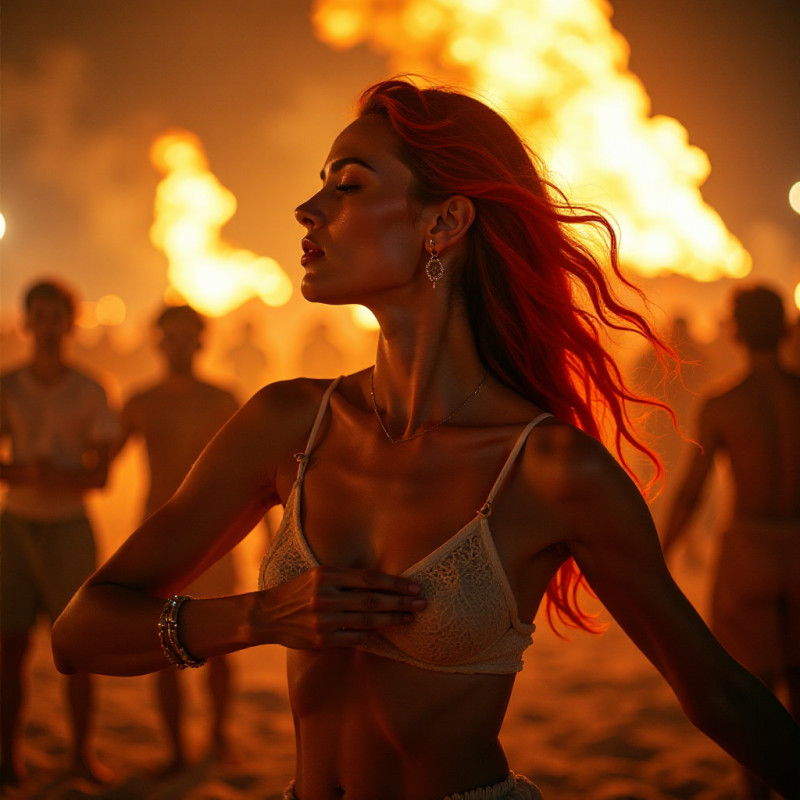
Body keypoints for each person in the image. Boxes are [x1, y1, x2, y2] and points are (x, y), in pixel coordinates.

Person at [51, 79, 800, 800]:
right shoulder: (287, 425)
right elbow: (79, 634)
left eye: (347, 185)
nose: (307, 209)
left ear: (443, 223)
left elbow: (721, 696)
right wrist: (258, 617)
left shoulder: (547, 468)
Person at [661, 284, 800, 800]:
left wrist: (659, 556)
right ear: (786, 329)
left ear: (736, 333)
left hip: (750, 551)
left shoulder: (723, 404)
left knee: (753, 692)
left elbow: (691, 494)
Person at [1, 279, 119, 788]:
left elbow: (101, 475)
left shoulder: (91, 390)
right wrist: (24, 474)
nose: (48, 328)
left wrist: (58, 477)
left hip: (70, 526)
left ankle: (80, 755)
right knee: (8, 648)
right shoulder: (6, 387)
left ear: (72, 324)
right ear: (27, 323)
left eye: (57, 317)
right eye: (40, 316)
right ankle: (8, 757)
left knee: (76, 648)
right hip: (16, 526)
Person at [116, 304, 240, 773]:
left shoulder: (222, 400)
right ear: (157, 341)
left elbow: (254, 469)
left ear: (200, 341)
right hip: (157, 534)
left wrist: (269, 529)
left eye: (186, 336)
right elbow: (102, 463)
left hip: (214, 532)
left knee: (223, 641)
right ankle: (176, 749)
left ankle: (219, 734)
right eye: (170, 336)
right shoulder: (141, 401)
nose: (177, 344)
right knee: (162, 644)